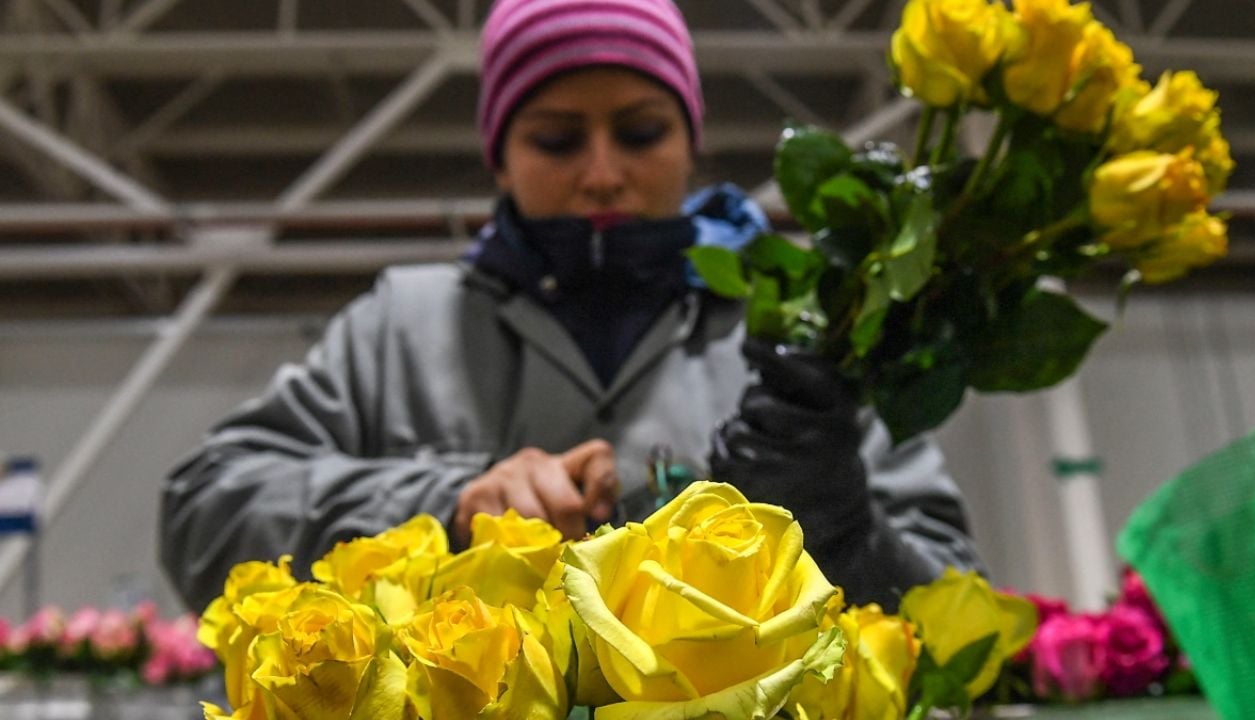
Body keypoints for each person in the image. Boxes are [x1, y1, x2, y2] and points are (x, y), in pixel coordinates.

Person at [160, 0, 983, 614]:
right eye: (556, 140)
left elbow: (954, 612)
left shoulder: (802, 336)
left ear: (690, 142)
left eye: (640, 133)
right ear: (501, 158)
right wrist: (444, 504)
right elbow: (204, 514)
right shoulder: (400, 329)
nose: (600, 173)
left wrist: (840, 521)